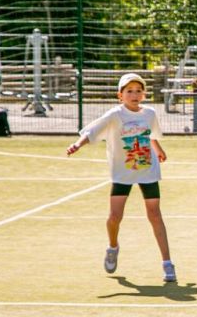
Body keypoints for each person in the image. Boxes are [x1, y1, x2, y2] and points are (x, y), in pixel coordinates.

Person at [66, 73, 176, 282]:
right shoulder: (115, 115)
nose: (134, 94)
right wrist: (77, 144)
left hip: (148, 170)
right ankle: (113, 246)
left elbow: (150, 134)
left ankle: (167, 263)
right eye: (129, 91)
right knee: (115, 217)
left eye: (138, 91)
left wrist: (158, 149)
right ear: (120, 95)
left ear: (143, 94)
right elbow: (92, 132)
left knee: (155, 214)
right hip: (122, 173)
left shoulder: (150, 113)